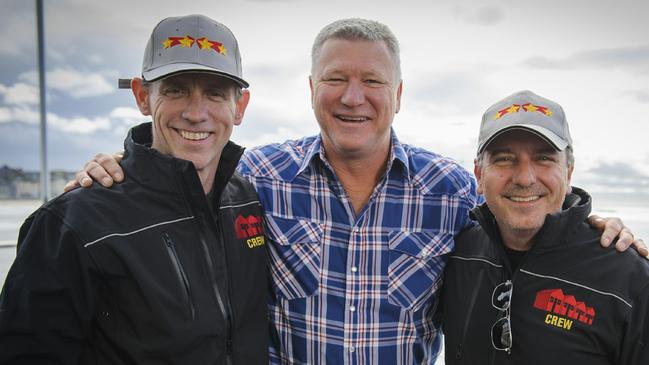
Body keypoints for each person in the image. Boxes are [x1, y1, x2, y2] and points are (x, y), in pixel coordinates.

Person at [64, 19, 645, 364]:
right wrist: (118, 168)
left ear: (399, 92)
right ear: (312, 88)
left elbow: (521, 196)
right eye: (337, 79)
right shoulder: (255, 178)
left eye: (371, 81)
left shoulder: (447, 188)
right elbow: (178, 182)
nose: (353, 97)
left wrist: (591, 225)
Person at [0, 15, 268, 364]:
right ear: (142, 96)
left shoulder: (248, 200)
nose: (196, 112)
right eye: (176, 89)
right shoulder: (71, 224)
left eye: (215, 93)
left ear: (240, 107)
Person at [441, 90, 649, 364]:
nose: (525, 178)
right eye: (504, 158)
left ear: (569, 172)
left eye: (544, 158)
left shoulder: (628, 278)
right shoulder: (457, 253)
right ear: (479, 175)